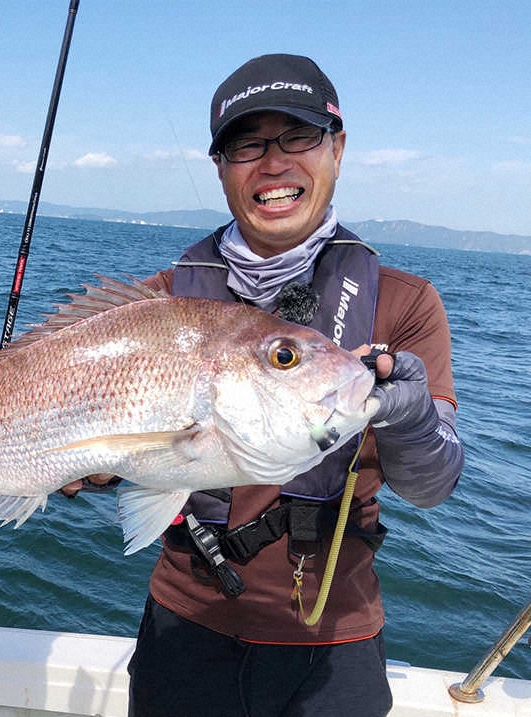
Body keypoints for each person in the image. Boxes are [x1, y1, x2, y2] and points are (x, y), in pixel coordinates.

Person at [118, 54, 465, 716]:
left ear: (338, 148)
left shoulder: (405, 304)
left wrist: (414, 416)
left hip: (336, 645)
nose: (273, 163)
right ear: (221, 167)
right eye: (247, 143)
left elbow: (433, 484)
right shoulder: (158, 308)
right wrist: (89, 464)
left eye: (299, 136)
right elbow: (118, 458)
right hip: (183, 629)